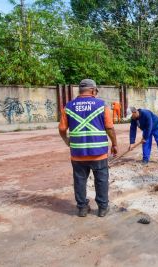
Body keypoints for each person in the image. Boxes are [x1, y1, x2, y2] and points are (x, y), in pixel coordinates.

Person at [58, 79, 118, 217]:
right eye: (96, 91)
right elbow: (109, 127)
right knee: (101, 180)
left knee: (79, 180)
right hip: (99, 153)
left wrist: (67, 140)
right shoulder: (102, 105)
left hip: (77, 153)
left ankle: (82, 209)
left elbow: (62, 129)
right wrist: (114, 144)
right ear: (92, 90)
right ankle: (102, 208)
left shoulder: (68, 106)